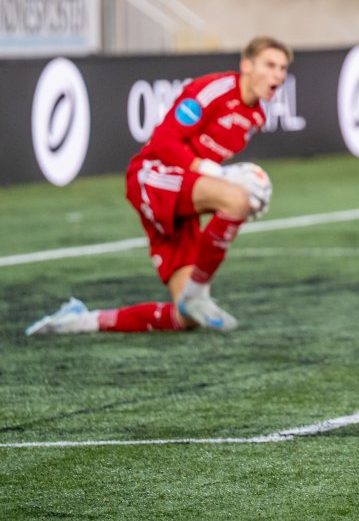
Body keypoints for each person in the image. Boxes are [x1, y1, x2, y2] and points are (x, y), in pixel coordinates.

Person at [25, 37, 293, 336]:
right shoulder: (214, 90)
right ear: (247, 65)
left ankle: (81, 321)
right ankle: (198, 294)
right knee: (236, 200)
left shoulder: (256, 115)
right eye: (270, 65)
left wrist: (223, 189)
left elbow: (205, 178)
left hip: (180, 195)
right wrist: (222, 181)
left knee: (186, 317)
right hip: (152, 175)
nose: (278, 75)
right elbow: (165, 142)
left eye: (283, 68)